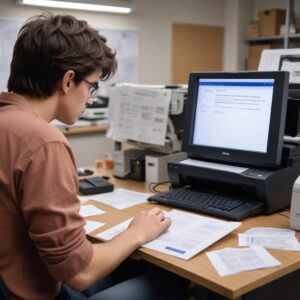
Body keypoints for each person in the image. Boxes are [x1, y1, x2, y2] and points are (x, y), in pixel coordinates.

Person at [0, 14, 188, 300]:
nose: (90, 99)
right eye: (92, 86)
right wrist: (137, 232)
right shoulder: (43, 141)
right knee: (173, 279)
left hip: (16, 278)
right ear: (68, 81)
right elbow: (80, 274)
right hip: (37, 292)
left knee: (131, 267)